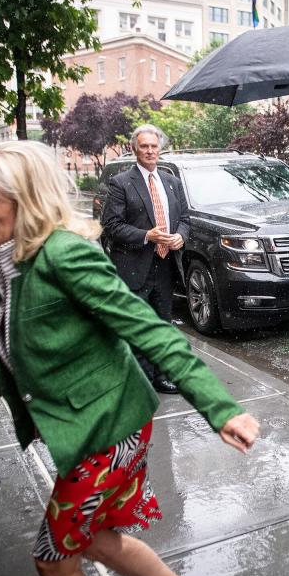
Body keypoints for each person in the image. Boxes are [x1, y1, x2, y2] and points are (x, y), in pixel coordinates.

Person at [0, 140, 259, 576]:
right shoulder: (9, 259)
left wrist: (221, 409)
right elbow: (23, 335)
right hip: (93, 424)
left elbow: (151, 331)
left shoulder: (66, 254)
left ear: (27, 198)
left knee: (52, 559)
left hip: (109, 429)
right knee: (92, 539)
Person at [102, 124, 187, 395]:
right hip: (134, 265)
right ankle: (140, 378)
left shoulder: (171, 181)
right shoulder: (121, 183)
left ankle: (161, 376)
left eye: (154, 146)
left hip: (165, 265)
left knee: (163, 323)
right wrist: (146, 235)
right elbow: (111, 225)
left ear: (160, 148)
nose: (150, 151)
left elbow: (185, 218)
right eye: (144, 146)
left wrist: (181, 237)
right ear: (134, 148)